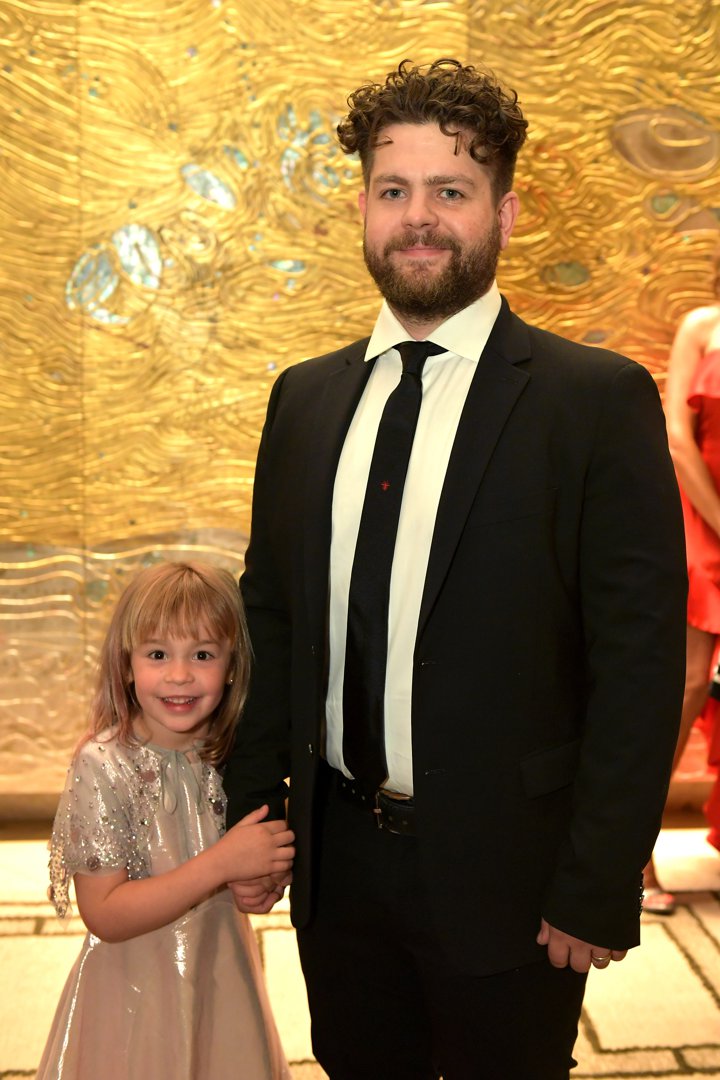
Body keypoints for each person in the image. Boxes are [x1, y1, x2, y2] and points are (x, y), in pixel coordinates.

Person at [223, 58, 688, 1079]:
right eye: (395, 191)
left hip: (513, 879)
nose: (418, 219)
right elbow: (274, 616)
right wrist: (251, 812)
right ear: (362, 209)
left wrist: (599, 879)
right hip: (339, 872)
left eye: (451, 191)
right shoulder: (302, 400)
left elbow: (641, 663)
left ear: (506, 212)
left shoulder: (594, 401)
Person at [36, 561, 294, 1080]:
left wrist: (265, 875)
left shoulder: (232, 757)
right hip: (133, 998)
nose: (179, 675)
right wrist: (222, 863)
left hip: (222, 982)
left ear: (233, 665)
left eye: (202, 654)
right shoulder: (103, 765)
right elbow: (104, 914)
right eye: (158, 654)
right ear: (127, 664)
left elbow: (262, 856)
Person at [644, 252, 720, 912]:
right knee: (688, 683)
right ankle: (629, 852)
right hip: (703, 515)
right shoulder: (703, 324)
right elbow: (675, 435)